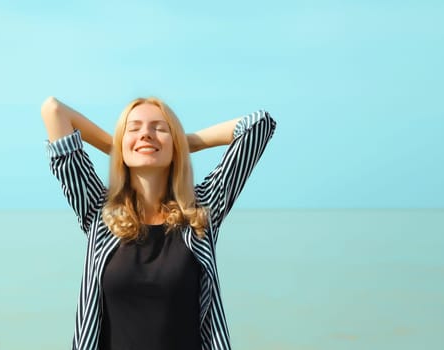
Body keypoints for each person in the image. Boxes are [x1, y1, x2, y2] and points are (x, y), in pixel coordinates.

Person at [42, 96, 276, 350]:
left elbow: (258, 125)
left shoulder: (203, 210)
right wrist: (116, 146)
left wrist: (183, 145)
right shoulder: (98, 210)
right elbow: (54, 110)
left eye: (159, 128)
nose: (146, 134)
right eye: (134, 129)